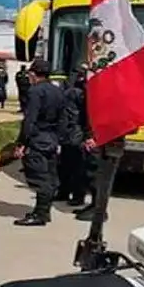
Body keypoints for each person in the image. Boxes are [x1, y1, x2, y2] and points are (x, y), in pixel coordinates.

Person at [12, 59, 76, 227]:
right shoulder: (58, 91)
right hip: (52, 138)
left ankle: (40, 214)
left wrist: (21, 143)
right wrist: (59, 139)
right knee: (49, 176)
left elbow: (30, 119)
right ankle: (43, 211)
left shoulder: (35, 92)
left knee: (39, 178)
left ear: (33, 74)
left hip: (38, 138)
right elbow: (64, 119)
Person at [57, 65, 90, 207]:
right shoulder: (76, 90)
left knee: (76, 167)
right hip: (70, 132)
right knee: (66, 166)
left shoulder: (81, 91)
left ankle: (77, 195)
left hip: (75, 132)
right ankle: (65, 192)